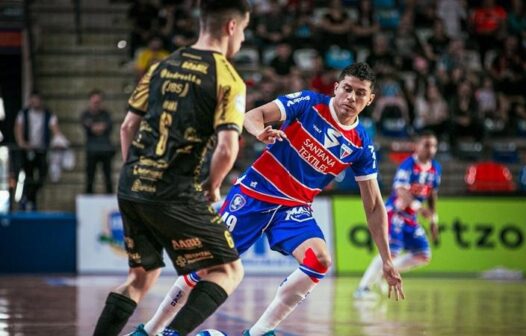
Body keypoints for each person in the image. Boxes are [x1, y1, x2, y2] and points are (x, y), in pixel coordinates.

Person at [135, 63, 405, 336]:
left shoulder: (361, 144)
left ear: (370, 100)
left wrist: (387, 259)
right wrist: (259, 132)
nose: (351, 97)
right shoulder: (309, 103)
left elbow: (373, 205)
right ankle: (150, 331)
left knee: (320, 261)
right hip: (254, 194)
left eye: (360, 94)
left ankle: (259, 332)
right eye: (347, 89)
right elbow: (254, 115)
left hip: (294, 208)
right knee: (205, 267)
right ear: (336, 88)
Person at [92, 1, 251, 335]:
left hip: (132, 183)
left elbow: (126, 127)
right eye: (245, 31)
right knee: (228, 271)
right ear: (231, 27)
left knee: (140, 277)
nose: (243, 40)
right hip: (175, 191)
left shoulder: (162, 65)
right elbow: (227, 146)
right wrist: (212, 185)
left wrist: (136, 172)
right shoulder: (228, 78)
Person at [354, 131, 441, 300]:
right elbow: (400, 190)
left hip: (411, 217)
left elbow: (432, 194)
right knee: (389, 253)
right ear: (417, 146)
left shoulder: (436, 168)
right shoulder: (408, 165)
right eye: (427, 145)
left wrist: (433, 218)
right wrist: (418, 207)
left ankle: (384, 273)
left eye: (434, 146)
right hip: (395, 214)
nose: (431, 149)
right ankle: (363, 288)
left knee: (423, 255)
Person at [14, 91, 62, 210]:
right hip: (28, 150)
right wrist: (22, 143)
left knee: (42, 176)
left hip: (41, 150)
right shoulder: (23, 114)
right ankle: (29, 202)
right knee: (28, 176)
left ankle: (29, 198)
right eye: (33, 100)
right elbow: (18, 129)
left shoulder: (48, 115)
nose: (35, 102)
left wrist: (58, 141)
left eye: (37, 100)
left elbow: (55, 130)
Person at [80, 89, 115, 194]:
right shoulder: (85, 114)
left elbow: (108, 127)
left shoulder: (106, 114)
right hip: (91, 150)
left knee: (108, 178)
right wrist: (98, 127)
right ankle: (88, 199)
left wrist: (95, 127)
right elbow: (89, 127)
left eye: (98, 102)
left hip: (105, 150)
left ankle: (110, 199)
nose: (96, 104)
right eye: (94, 101)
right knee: (90, 178)